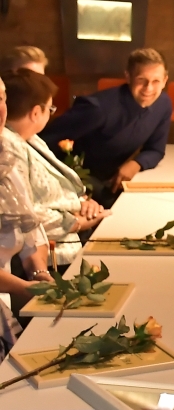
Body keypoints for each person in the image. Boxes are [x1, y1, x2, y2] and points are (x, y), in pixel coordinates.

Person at [1, 69, 110, 268]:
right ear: (36, 113)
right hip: (44, 257)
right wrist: (75, 223)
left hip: (66, 238)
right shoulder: (7, 146)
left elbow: (55, 188)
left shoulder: (29, 138)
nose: (50, 115)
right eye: (50, 109)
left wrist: (83, 203)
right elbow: (23, 214)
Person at [43, 48, 172, 207]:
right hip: (72, 179)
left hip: (110, 178)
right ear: (128, 77)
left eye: (156, 81)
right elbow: (44, 142)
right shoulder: (97, 108)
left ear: (165, 81)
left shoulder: (163, 104)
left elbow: (156, 149)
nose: (149, 88)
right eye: (141, 80)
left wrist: (136, 164)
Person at [0, 76, 53, 359]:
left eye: (1, 99)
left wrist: (40, 273)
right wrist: (23, 288)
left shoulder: (7, 153)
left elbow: (31, 231)